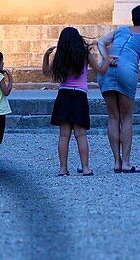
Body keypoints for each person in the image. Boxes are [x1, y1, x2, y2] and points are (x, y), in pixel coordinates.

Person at [96, 5, 140, 173]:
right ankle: (126, 163)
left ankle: (116, 162)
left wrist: (107, 58)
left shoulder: (120, 30)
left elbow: (100, 42)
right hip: (126, 70)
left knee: (113, 117)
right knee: (126, 118)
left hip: (106, 69)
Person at [42, 27, 110, 176]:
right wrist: (108, 58)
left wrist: (46, 56)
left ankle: (62, 168)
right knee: (81, 134)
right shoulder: (84, 54)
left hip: (64, 95)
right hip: (79, 96)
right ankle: (85, 168)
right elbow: (101, 70)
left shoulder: (60, 56)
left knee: (64, 135)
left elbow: (46, 72)